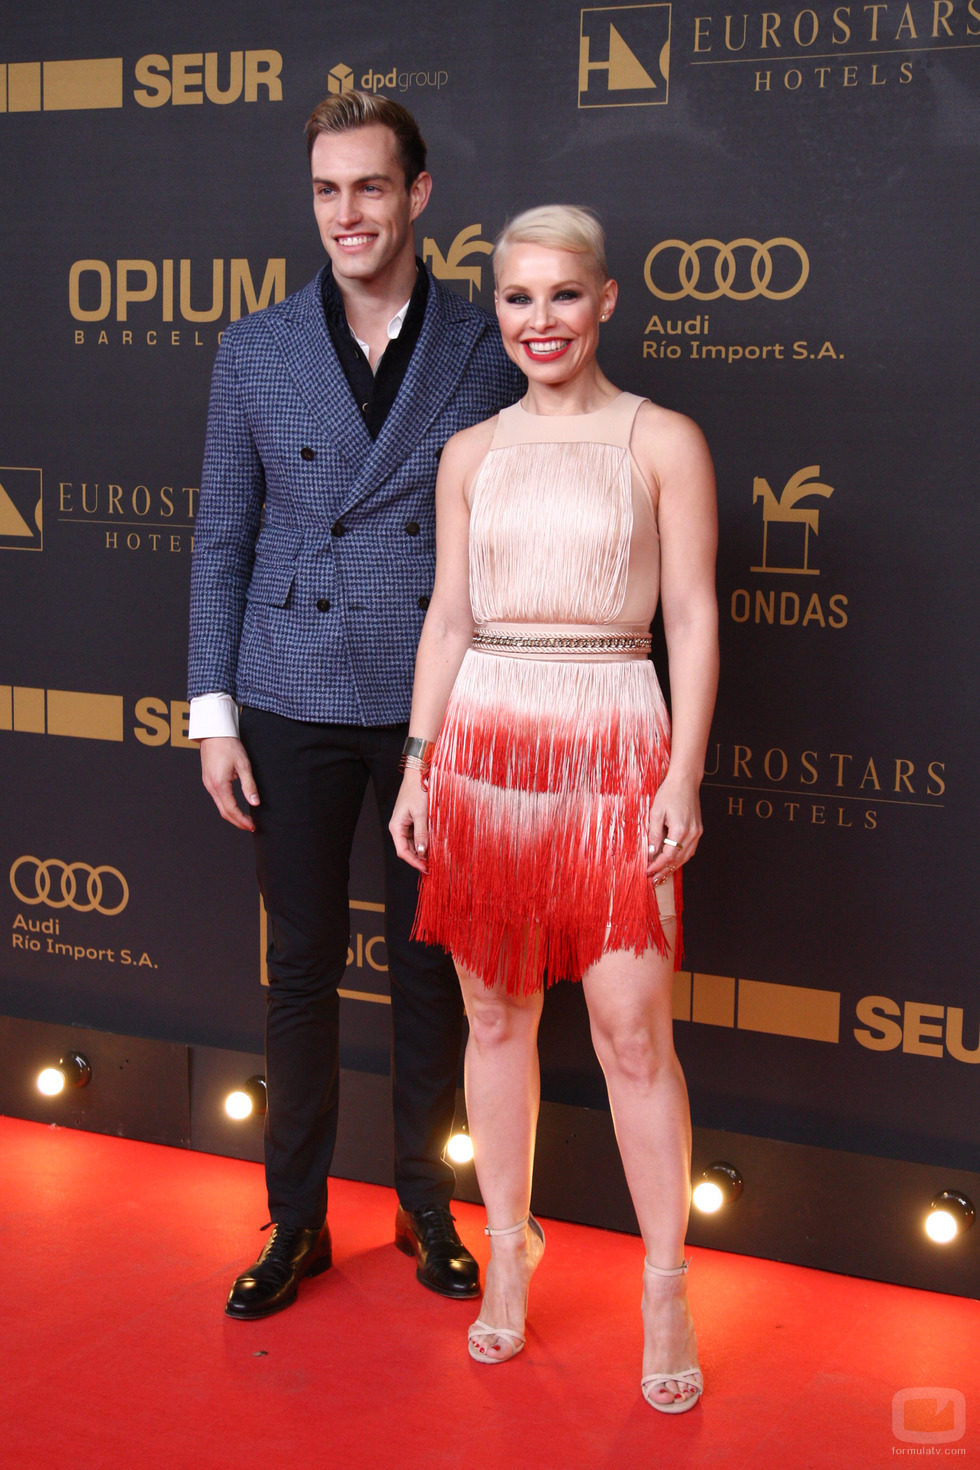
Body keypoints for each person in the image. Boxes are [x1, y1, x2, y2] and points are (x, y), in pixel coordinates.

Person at [187, 90, 524, 1321]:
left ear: (416, 195)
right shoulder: (255, 347)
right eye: (327, 190)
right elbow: (221, 537)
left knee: (433, 966)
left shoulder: (485, 343)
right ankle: (295, 1222)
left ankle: (426, 1206)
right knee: (300, 967)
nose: (347, 213)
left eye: (370, 187)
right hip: (290, 687)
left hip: (440, 695)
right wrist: (212, 713)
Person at [390, 205, 718, 1413]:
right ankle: (507, 1253)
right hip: (485, 749)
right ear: (496, 310)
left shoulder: (660, 439)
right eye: (517, 298)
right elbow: (447, 619)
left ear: (605, 301)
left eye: (563, 295)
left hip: (616, 738)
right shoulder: (469, 454)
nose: (540, 321)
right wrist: (419, 762)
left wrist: (680, 773)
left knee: (631, 1034)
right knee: (492, 1020)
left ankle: (665, 1287)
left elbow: (691, 616)